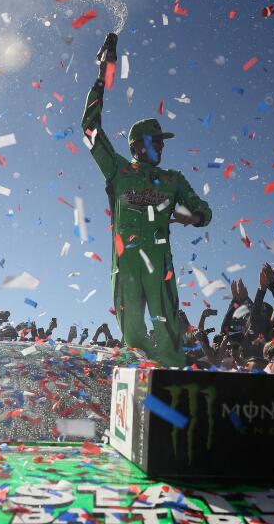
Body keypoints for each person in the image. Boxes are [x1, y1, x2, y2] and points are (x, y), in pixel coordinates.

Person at [82, 32, 212, 366]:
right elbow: (89, 129)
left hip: (159, 264)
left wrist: (193, 218)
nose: (163, 146)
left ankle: (174, 383)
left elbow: (203, 209)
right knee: (132, 333)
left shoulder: (174, 179)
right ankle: (140, 385)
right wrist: (102, 77)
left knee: (168, 329)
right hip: (125, 265)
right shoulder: (118, 170)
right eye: (156, 141)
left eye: (163, 141)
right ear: (138, 144)